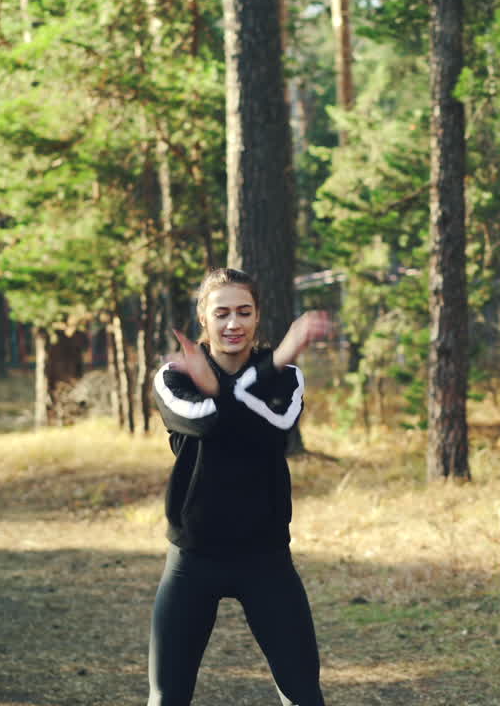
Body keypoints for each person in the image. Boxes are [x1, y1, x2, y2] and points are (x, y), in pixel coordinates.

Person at [148, 267, 331, 706]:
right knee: (167, 698)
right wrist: (270, 363)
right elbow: (207, 423)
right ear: (203, 318)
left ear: (257, 316)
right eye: (222, 313)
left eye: (244, 312)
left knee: (304, 695)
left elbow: (275, 429)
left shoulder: (288, 377)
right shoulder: (175, 375)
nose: (234, 323)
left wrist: (235, 380)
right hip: (193, 558)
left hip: (265, 558)